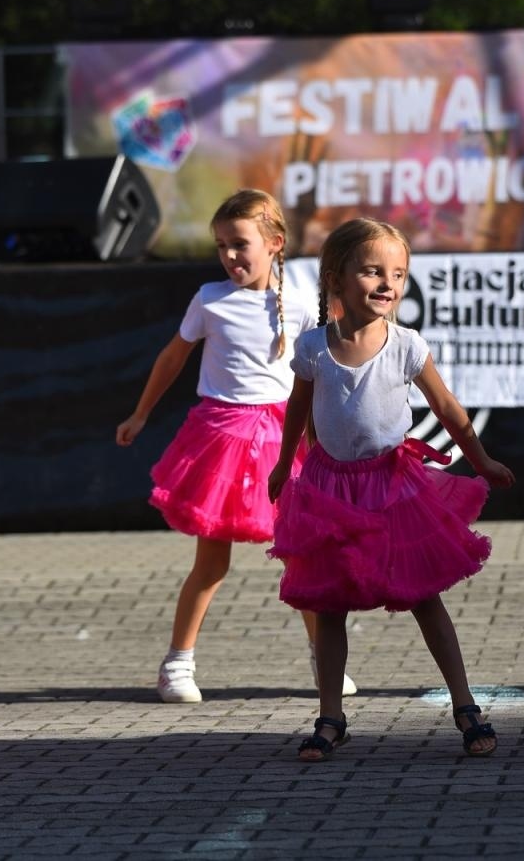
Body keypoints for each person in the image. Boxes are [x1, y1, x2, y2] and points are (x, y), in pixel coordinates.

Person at [266, 217, 514, 762]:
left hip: (393, 487)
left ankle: (465, 703)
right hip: (330, 489)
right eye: (373, 271)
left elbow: (448, 409)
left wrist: (482, 459)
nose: (387, 284)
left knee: (424, 595)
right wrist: (285, 466)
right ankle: (330, 715)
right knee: (329, 603)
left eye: (398, 274)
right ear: (336, 276)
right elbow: (297, 410)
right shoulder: (313, 347)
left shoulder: (405, 344)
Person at [117, 190, 355, 703]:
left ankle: (325, 660)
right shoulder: (209, 299)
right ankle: (177, 664)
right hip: (221, 438)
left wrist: (329, 441)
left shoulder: (302, 301)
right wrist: (140, 413)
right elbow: (172, 358)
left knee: (303, 556)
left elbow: (320, 376)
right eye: (221, 245)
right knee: (211, 562)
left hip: (285, 437)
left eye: (240, 244)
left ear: (274, 244)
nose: (230, 255)